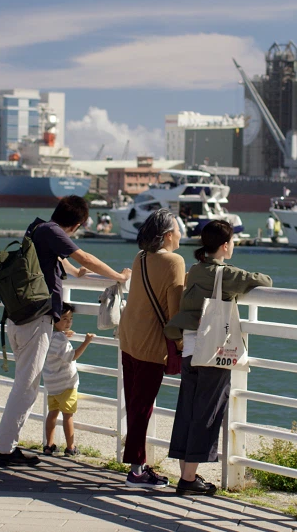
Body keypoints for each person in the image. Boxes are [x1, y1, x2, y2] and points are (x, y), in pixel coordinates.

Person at [0, 196, 131, 467]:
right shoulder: (53, 231)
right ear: (78, 224)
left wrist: (73, 271)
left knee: (26, 384)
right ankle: (4, 450)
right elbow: (86, 258)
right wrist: (120, 277)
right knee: (26, 386)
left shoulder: (38, 229)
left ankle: (6, 447)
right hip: (35, 320)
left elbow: (61, 260)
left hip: (21, 316)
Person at [167, 220, 272, 497]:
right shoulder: (224, 273)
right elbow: (264, 282)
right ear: (225, 246)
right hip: (212, 353)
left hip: (189, 348)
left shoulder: (196, 270)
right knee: (207, 412)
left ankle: (186, 473)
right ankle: (188, 480)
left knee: (188, 411)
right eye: (232, 241)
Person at [117, 209, 185, 489]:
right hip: (149, 343)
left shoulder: (141, 257)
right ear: (169, 235)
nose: (181, 234)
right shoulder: (175, 261)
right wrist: (182, 345)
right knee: (142, 406)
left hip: (129, 335)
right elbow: (175, 310)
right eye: (178, 229)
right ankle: (136, 471)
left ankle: (138, 464)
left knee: (135, 403)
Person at [42, 303, 94, 457]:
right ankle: (70, 447)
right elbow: (72, 356)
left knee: (52, 414)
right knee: (68, 415)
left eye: (70, 318)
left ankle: (48, 445)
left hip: (51, 384)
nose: (68, 322)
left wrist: (63, 334)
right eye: (64, 318)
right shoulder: (60, 340)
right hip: (66, 384)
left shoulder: (48, 335)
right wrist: (87, 341)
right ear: (55, 318)